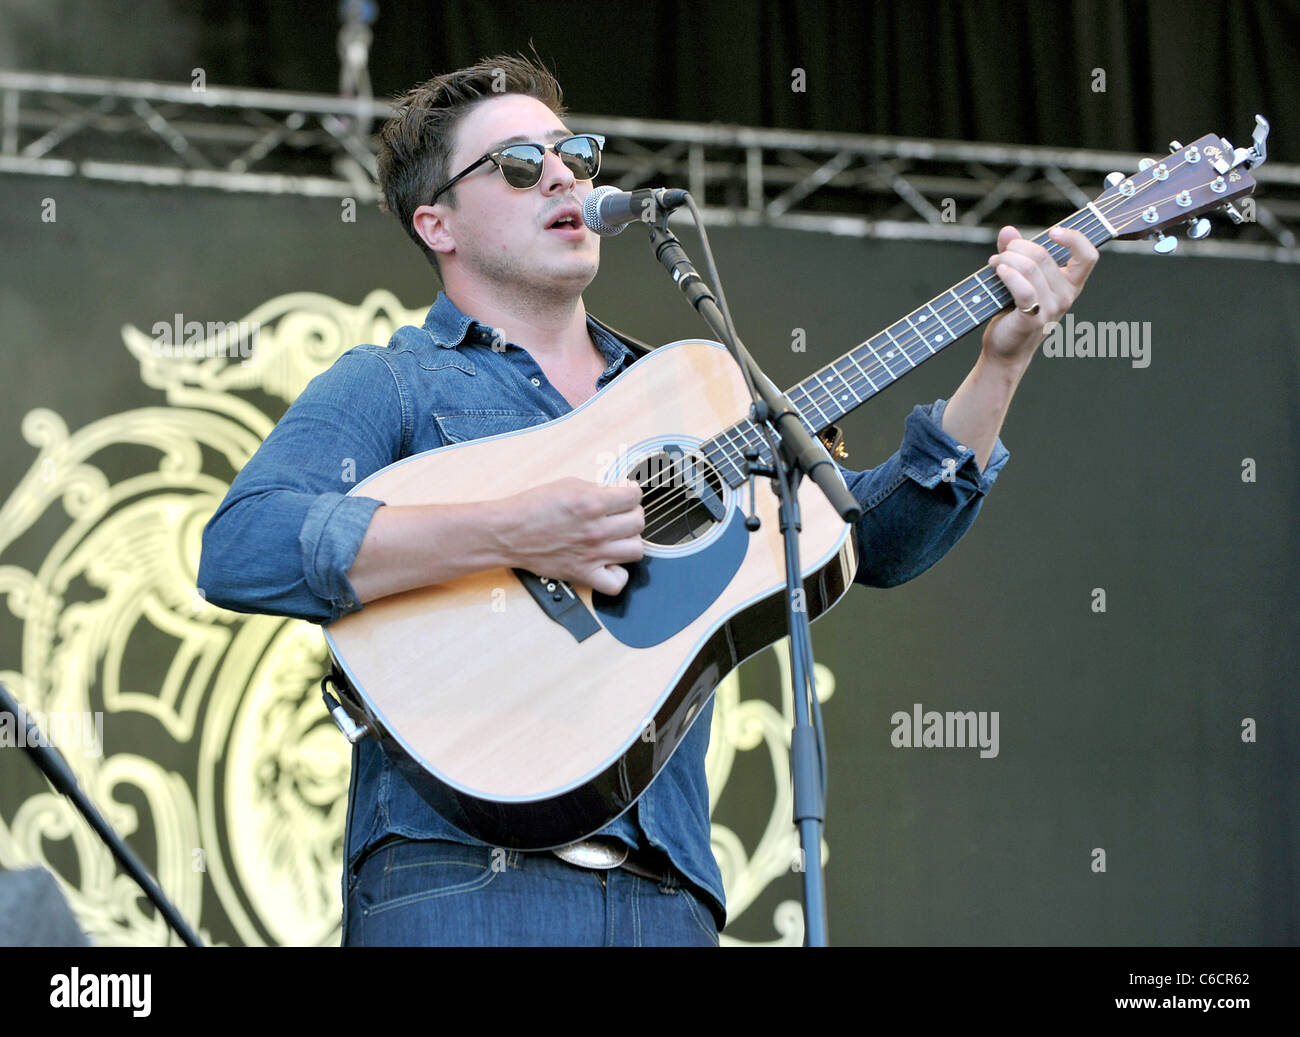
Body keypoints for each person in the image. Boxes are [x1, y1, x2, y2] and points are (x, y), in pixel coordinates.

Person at [197, 53, 1099, 947]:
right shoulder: (392, 382)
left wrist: (1001, 362)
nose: (562, 174)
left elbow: (873, 541)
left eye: (575, 155)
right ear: (438, 224)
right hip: (458, 883)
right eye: (518, 165)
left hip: (665, 893)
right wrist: (513, 531)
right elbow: (244, 545)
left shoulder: (689, 392)